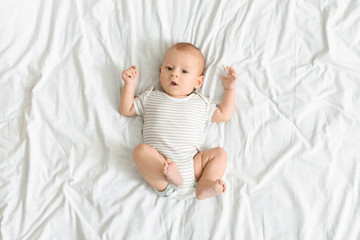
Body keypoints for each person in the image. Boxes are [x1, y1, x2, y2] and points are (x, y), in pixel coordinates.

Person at [120, 42, 237, 200]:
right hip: (161, 172)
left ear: (198, 82)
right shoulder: (151, 97)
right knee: (140, 152)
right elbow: (126, 109)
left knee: (220, 154)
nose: (174, 74)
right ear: (160, 71)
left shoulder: (201, 103)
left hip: (192, 167)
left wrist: (230, 89)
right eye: (169, 68)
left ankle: (205, 184)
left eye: (184, 71)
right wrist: (130, 85)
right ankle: (170, 177)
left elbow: (224, 114)